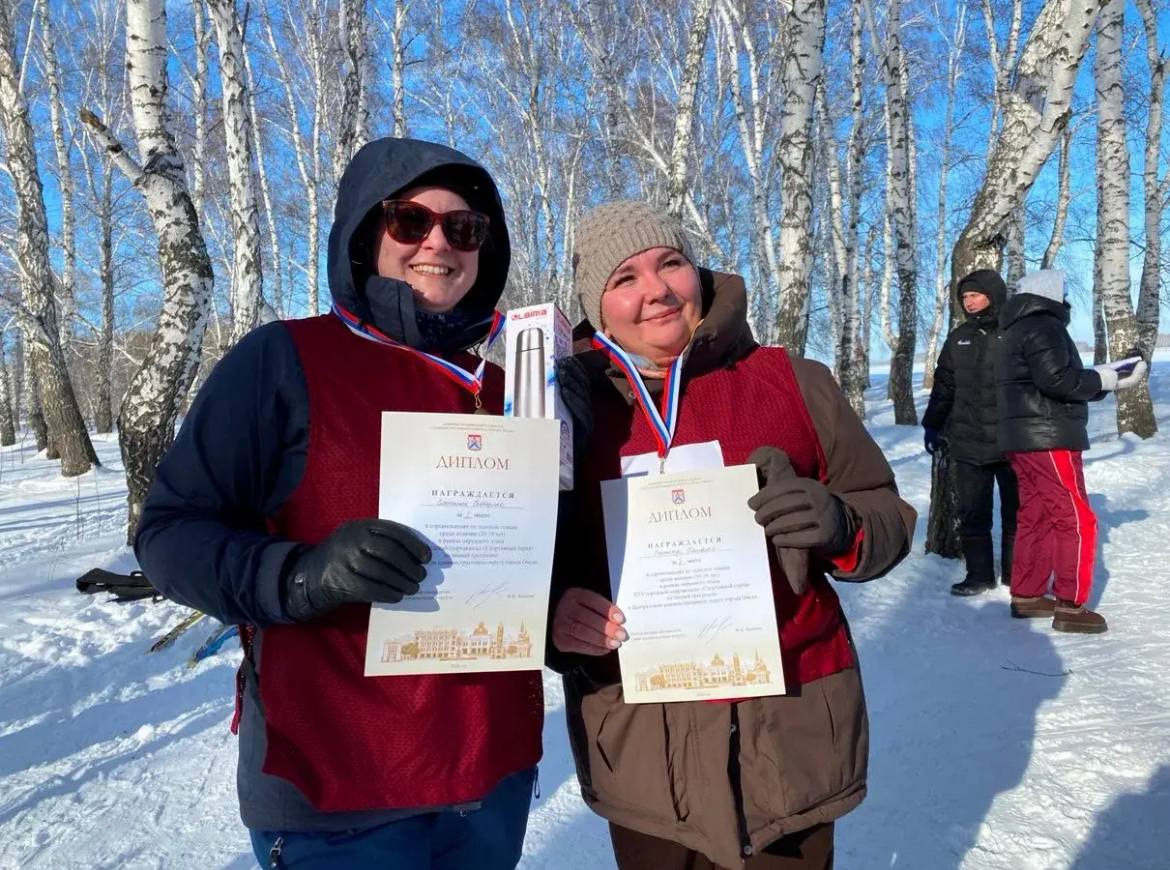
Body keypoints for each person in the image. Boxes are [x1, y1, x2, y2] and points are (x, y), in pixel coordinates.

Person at [134, 138, 542, 868]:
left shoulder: (512, 391)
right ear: (364, 233)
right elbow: (169, 533)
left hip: (490, 776)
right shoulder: (284, 359)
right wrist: (299, 576)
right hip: (337, 787)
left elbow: (546, 557)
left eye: (465, 227)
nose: (439, 243)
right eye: (410, 221)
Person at [548, 201, 917, 870]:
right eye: (624, 279)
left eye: (671, 263)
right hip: (644, 754)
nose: (656, 290)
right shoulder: (563, 410)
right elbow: (526, 562)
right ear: (596, 306)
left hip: (790, 738)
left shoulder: (793, 382)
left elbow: (885, 515)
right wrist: (554, 615)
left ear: (698, 272)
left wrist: (838, 523)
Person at [995, 269, 1148, 632]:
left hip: (1023, 438)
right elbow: (1059, 381)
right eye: (1064, 292)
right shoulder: (1044, 326)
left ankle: (1028, 594)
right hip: (1048, 436)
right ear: (1052, 294)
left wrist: (1107, 377)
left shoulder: (1015, 329)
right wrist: (1109, 377)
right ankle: (1070, 605)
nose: (1067, 299)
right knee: (1076, 519)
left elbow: (1049, 380)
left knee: (1036, 515)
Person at [922, 270, 1019, 596]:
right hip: (969, 441)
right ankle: (979, 576)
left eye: (975, 295)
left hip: (1012, 441)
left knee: (1015, 513)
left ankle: (1015, 575)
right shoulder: (958, 338)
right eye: (964, 297)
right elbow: (944, 386)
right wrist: (932, 424)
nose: (969, 301)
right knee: (972, 513)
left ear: (992, 294)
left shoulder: (1015, 333)